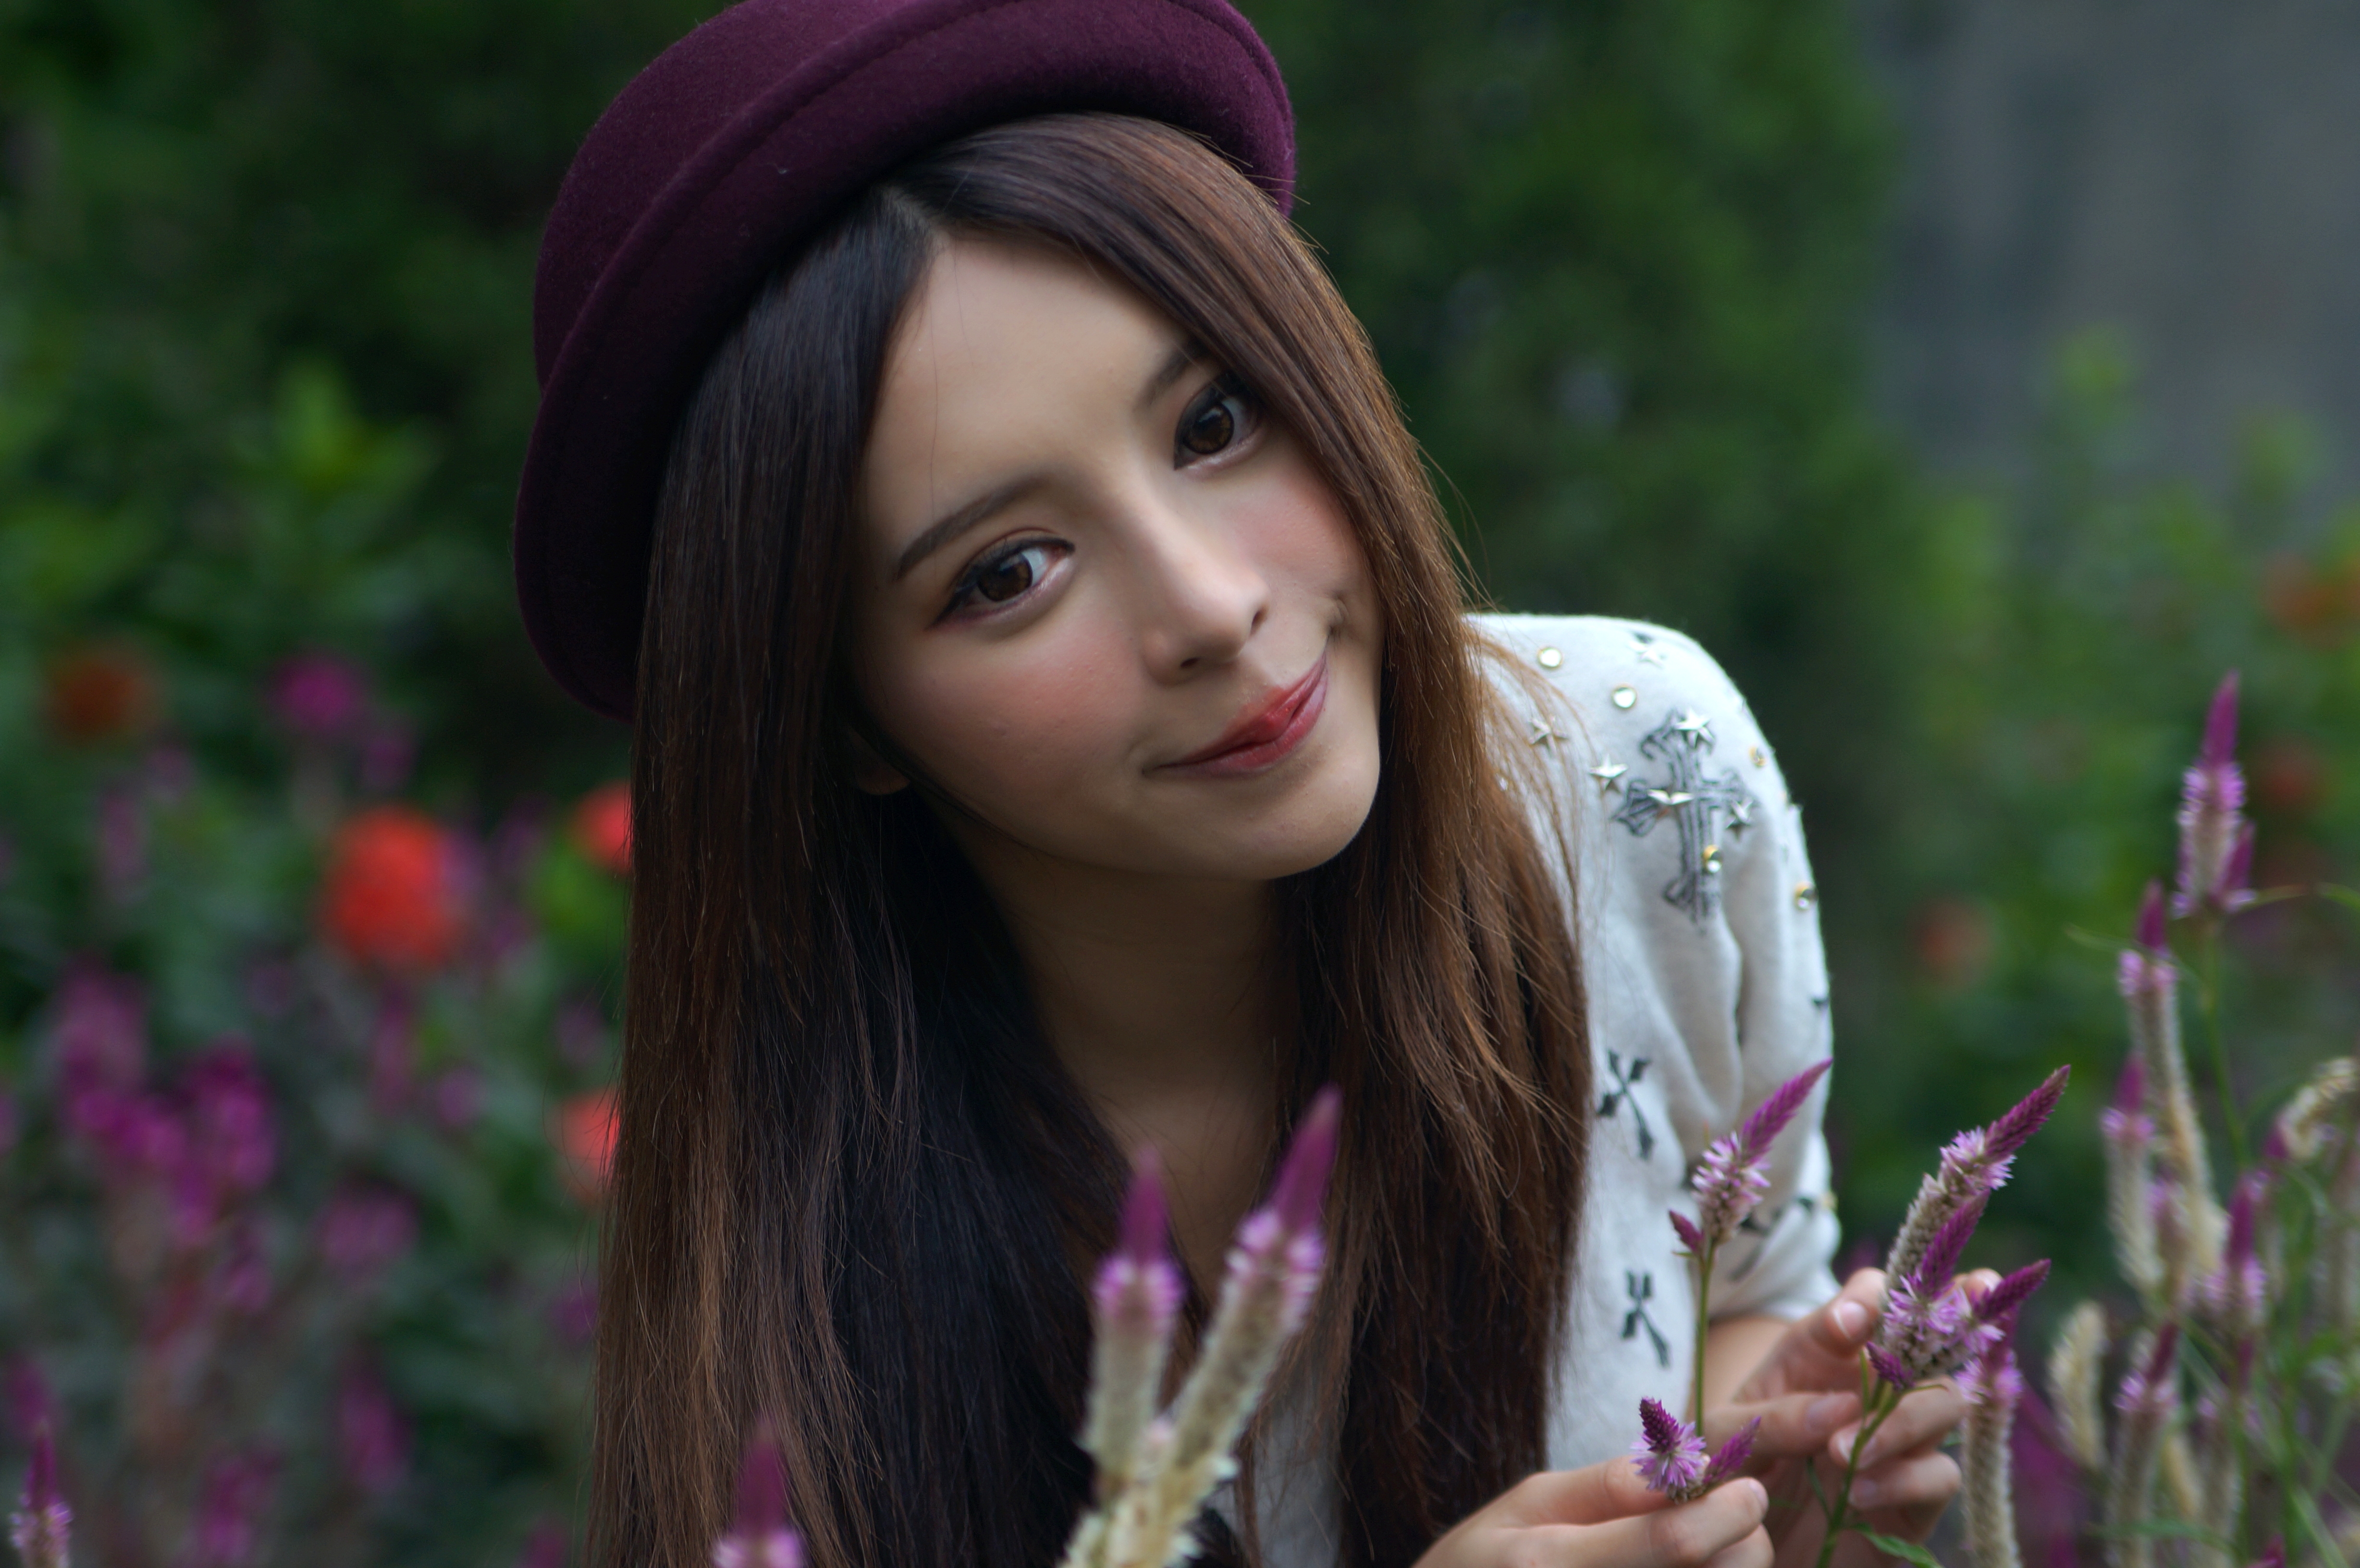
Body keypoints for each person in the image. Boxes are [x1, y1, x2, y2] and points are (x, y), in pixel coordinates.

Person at [511, 3, 1973, 1565]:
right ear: (845, 722)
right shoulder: (805, 1263)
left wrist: (1773, 1479)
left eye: (1215, 423)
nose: (1209, 606)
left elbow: (1743, 1289)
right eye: (1009, 571)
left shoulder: (1643, 776)